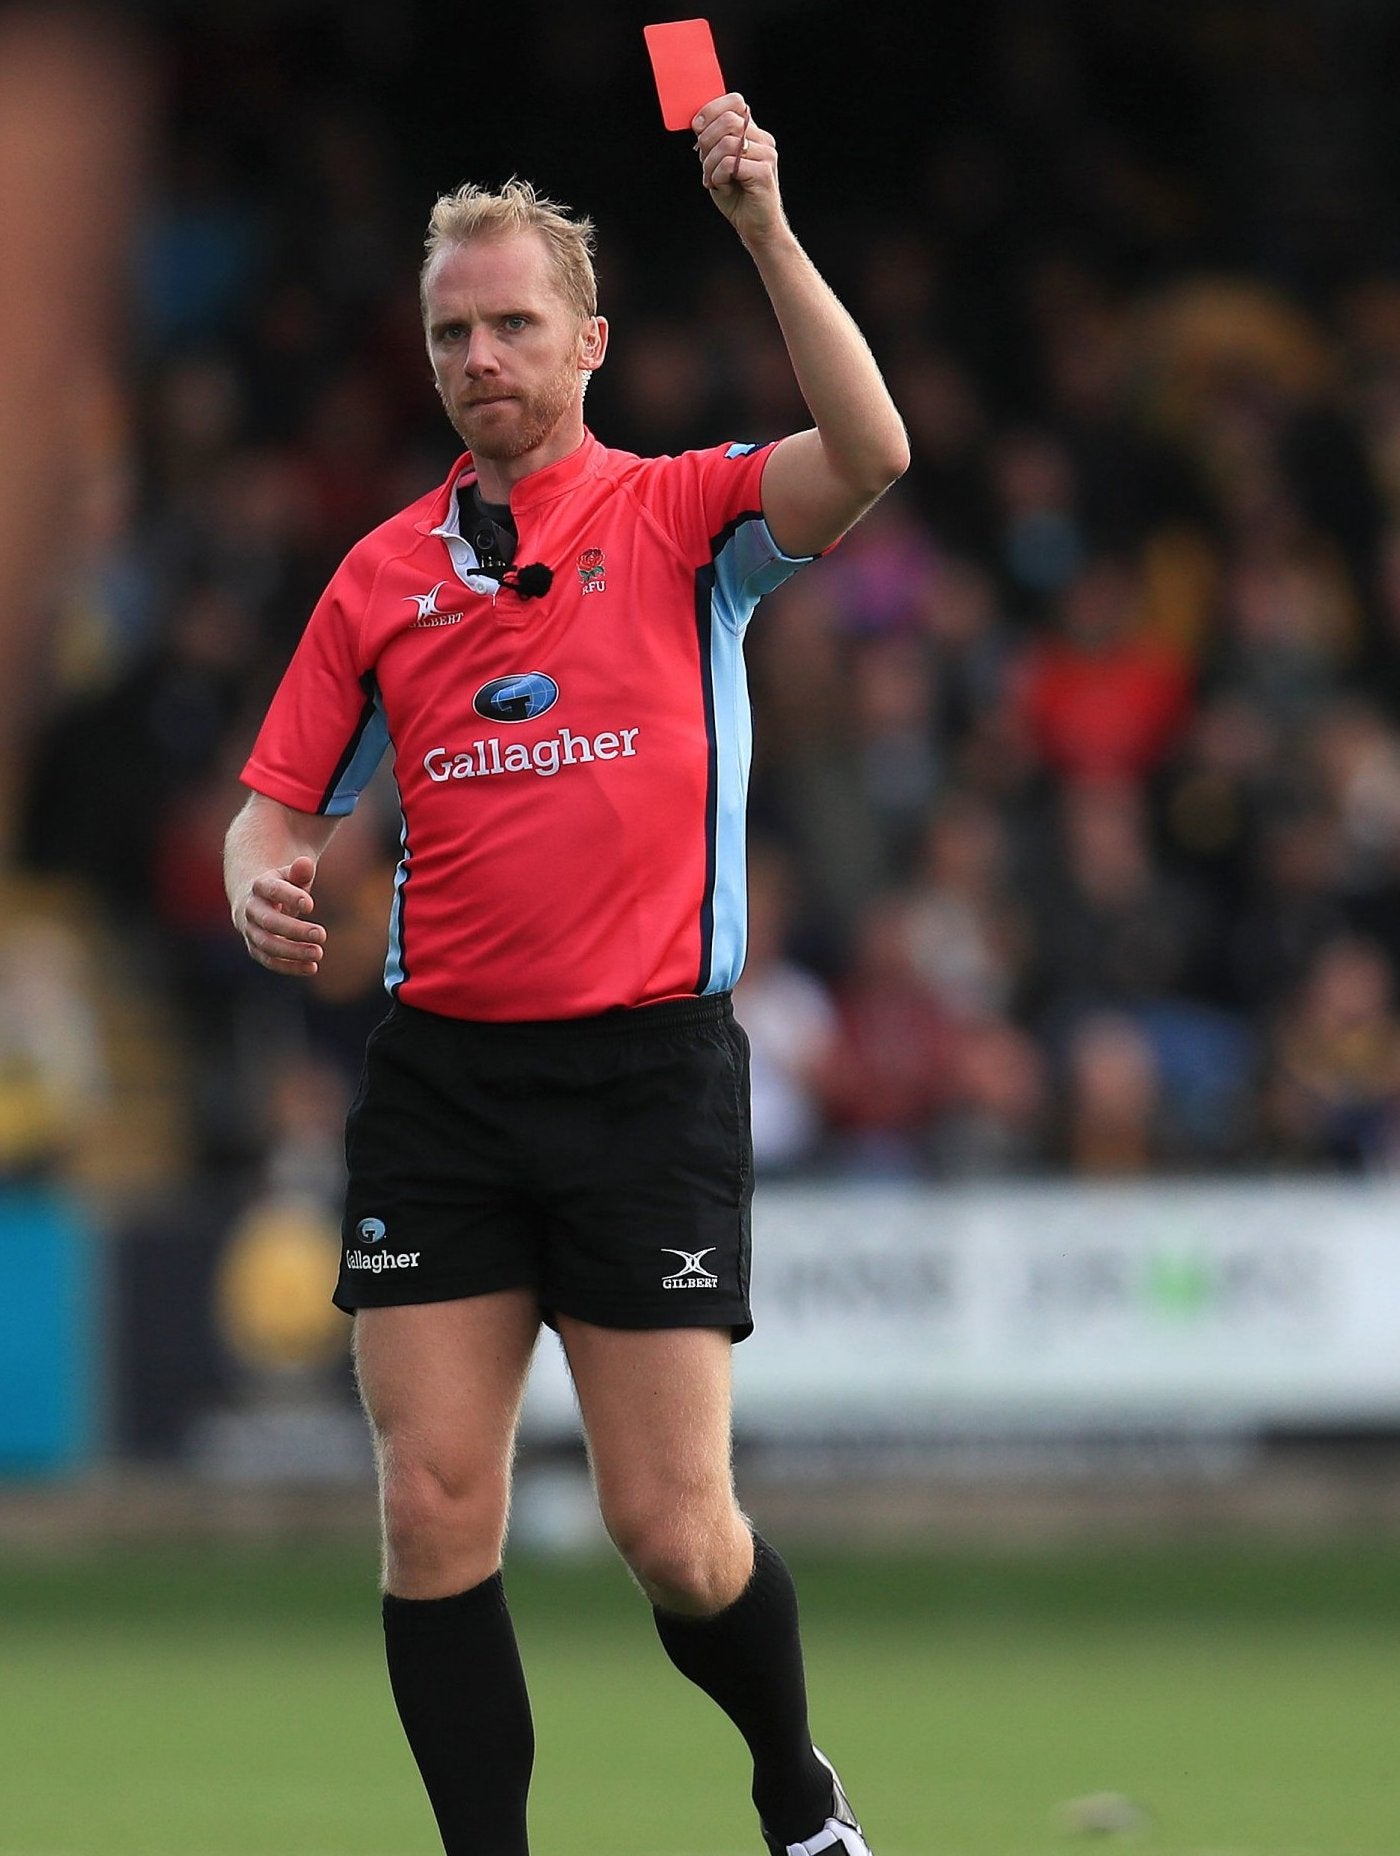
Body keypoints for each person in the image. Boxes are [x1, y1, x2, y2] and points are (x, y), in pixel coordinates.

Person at [222, 96, 906, 1856]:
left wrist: (760, 221)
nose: (477, 356)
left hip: (646, 1080)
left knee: (673, 1534)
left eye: (512, 322)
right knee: (433, 1509)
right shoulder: (381, 575)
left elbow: (875, 446)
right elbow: (270, 807)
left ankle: (796, 1793)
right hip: (446, 1084)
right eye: (451, 329)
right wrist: (258, 891)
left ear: (587, 342)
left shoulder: (689, 522)